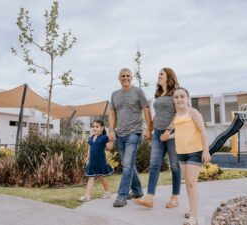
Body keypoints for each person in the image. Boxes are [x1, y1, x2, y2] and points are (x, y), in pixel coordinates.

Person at [133, 68, 181, 208]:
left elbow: (178, 113)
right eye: (158, 74)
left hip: (171, 134)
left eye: (161, 74)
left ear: (169, 76)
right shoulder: (159, 94)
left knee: (174, 166)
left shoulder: (176, 93)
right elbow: (157, 115)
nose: (158, 76)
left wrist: (168, 130)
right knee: (154, 164)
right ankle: (149, 198)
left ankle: (174, 198)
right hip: (158, 134)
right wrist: (149, 129)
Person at [109, 68, 152, 207]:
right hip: (120, 134)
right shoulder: (114, 94)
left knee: (127, 164)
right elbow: (112, 113)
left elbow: (146, 109)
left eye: (128, 75)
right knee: (129, 164)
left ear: (131, 77)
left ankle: (122, 196)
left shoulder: (138, 92)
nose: (125, 78)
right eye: (123, 76)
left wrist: (148, 129)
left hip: (134, 133)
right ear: (119, 78)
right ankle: (138, 190)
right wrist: (111, 131)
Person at [173, 87, 211, 225]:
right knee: (188, 184)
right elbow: (179, 132)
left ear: (188, 98)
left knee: (191, 182)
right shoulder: (176, 115)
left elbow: (203, 131)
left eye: (182, 96)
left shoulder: (193, 112)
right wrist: (167, 135)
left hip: (195, 152)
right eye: (176, 97)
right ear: (174, 100)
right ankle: (192, 210)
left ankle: (193, 217)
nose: (179, 99)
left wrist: (206, 151)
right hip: (181, 152)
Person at [78, 120, 114, 202]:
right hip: (92, 162)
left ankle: (107, 193)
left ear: (102, 128)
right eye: (93, 126)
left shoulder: (104, 137)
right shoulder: (91, 138)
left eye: (97, 127)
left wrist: (111, 140)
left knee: (102, 177)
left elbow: (110, 147)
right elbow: (89, 149)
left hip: (101, 161)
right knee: (91, 178)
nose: (95, 128)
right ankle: (87, 196)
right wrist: (87, 158)